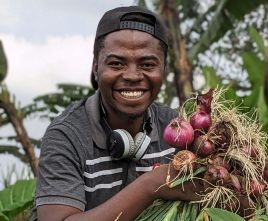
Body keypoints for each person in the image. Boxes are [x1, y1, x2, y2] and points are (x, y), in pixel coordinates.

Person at [33, 5, 201, 221]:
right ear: (95, 67)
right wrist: (152, 184)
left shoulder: (178, 130)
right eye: (116, 63)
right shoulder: (67, 136)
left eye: (147, 64)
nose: (132, 75)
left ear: (164, 70)